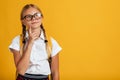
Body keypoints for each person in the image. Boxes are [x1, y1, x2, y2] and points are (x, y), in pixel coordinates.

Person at [9, 4, 62, 80]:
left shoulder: (51, 42)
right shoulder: (17, 41)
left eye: (36, 15)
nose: (33, 18)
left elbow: (55, 72)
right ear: (23, 21)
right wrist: (30, 43)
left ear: (42, 17)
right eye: (28, 17)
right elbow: (20, 71)